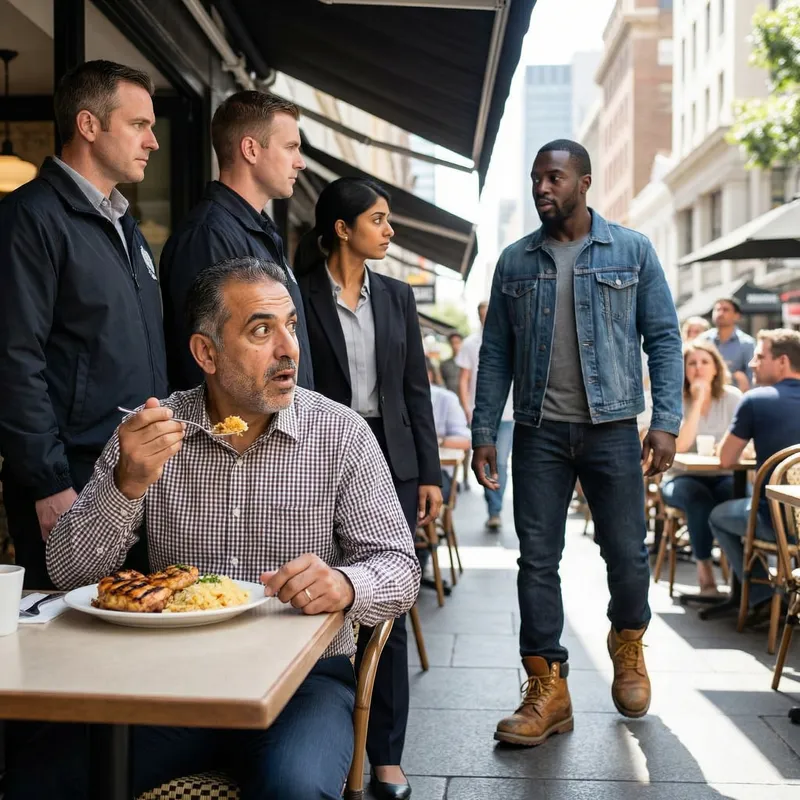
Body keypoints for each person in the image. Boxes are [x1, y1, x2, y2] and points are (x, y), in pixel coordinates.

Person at [5, 257, 420, 800]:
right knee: (38, 781)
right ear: (206, 353)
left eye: (291, 326)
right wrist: (126, 485)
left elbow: (399, 566)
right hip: (169, 681)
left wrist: (345, 583)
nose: (288, 349)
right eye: (261, 331)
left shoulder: (340, 434)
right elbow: (68, 571)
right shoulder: (152, 433)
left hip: (304, 684)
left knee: (294, 788)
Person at [472, 139, 683, 746]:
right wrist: (484, 430)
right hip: (537, 431)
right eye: (536, 178)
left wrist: (665, 420)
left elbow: (664, 338)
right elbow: (495, 353)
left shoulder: (632, 250)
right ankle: (548, 688)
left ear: (584, 182)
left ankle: (628, 642)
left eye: (555, 178)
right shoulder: (514, 261)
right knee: (537, 560)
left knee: (627, 553)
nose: (542, 188)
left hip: (612, 427)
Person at [295, 177, 441, 800]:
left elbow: (415, 388)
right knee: (322, 593)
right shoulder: (299, 292)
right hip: (322, 454)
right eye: (378, 219)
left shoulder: (398, 296)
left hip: (392, 454)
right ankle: (320, 735)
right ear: (342, 229)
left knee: (388, 600)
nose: (389, 230)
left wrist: (429, 472)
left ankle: (385, 755)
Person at [0, 60, 166, 590]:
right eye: (138, 125)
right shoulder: (31, 217)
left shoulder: (126, 227)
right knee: (73, 638)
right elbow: (13, 359)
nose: (153, 141)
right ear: (89, 125)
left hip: (135, 477)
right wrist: (48, 482)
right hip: (73, 483)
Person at [160, 90, 313, 391]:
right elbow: (205, 368)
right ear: (251, 149)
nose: (300, 163)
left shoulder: (260, 232)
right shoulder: (208, 237)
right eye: (291, 147)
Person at [709, 329, 800, 613]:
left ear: (782, 361)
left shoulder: (756, 399)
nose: (751, 363)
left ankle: (762, 596)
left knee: (717, 516)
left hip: (776, 524)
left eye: (760, 357)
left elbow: (726, 459)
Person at [660, 340, 741, 596]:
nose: (698, 368)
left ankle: (741, 577)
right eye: (692, 363)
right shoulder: (675, 399)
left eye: (705, 362)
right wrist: (698, 402)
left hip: (724, 474)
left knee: (736, 495)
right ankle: (704, 571)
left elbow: (743, 444)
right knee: (699, 499)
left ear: (716, 368)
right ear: (683, 370)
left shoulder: (733, 398)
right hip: (680, 477)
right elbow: (680, 447)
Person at [457, 301, 514, 530]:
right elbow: (464, 379)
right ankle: (493, 507)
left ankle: (495, 510)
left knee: (500, 462)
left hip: (509, 413)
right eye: (482, 315)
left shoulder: (511, 338)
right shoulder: (470, 343)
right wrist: (466, 408)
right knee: (484, 462)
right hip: (480, 413)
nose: (486, 318)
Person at [427, 357, 470, 504]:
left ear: (429, 374)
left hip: (439, 472)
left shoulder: (446, 399)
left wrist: (436, 441)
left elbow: (466, 441)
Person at [699, 298, 755, 393]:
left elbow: (752, 376)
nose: (720, 313)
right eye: (717, 309)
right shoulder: (703, 340)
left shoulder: (747, 343)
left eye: (725, 310)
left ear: (736, 316)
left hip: (736, 398)